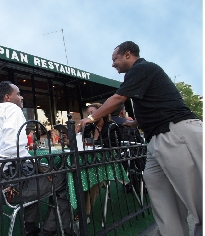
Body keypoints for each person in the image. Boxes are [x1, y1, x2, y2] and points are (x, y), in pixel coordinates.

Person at [78, 41, 202, 236]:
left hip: (176, 133)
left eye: (115, 59)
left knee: (198, 200)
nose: (113, 64)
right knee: (158, 190)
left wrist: (91, 117)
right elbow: (156, 103)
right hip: (156, 139)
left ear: (128, 54)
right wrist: (135, 123)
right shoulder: (138, 76)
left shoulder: (142, 68)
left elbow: (118, 98)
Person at [0, 81, 70, 236]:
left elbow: (5, 150)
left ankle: (30, 226)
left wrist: (35, 165)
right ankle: (49, 230)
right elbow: (13, 148)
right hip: (8, 189)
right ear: (7, 97)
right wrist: (35, 164)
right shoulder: (12, 109)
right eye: (18, 94)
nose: (21, 98)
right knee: (63, 178)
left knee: (33, 172)